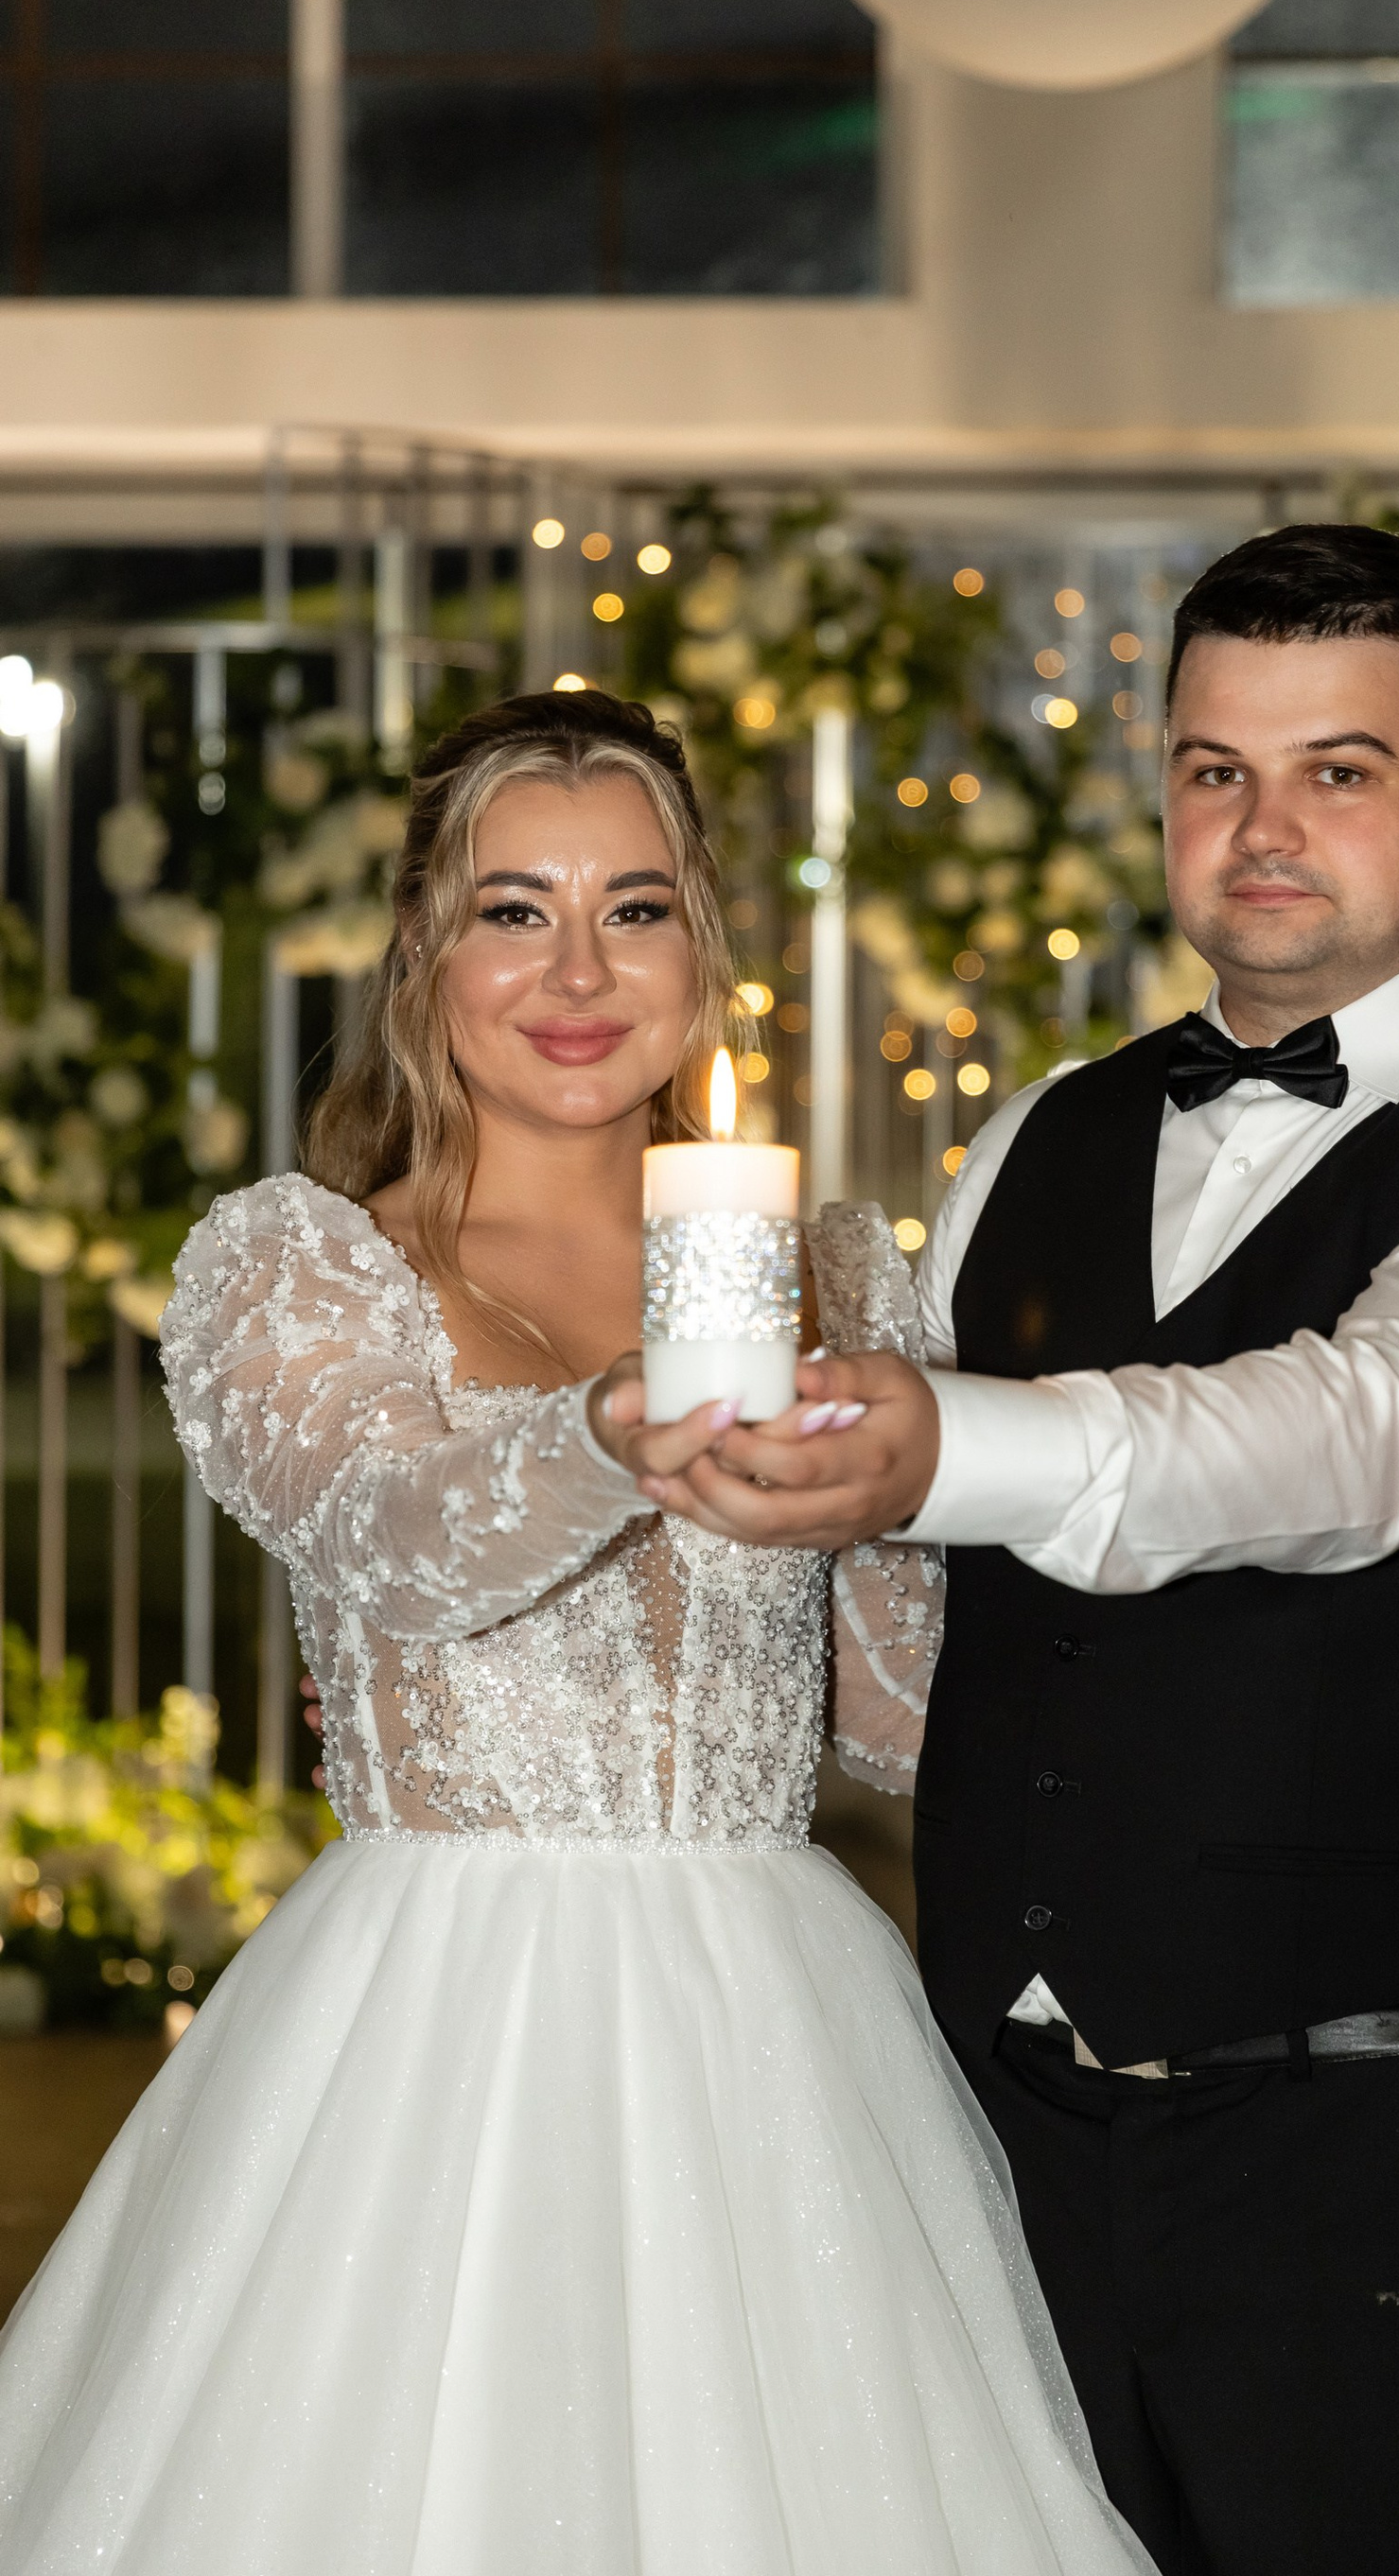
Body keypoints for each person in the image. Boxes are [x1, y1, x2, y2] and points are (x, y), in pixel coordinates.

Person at [640, 529, 1399, 2576]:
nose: (1264, 826)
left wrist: (945, 1440)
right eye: (1217, 770)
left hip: (1393, 2159)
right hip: (1009, 2144)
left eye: (1340, 770)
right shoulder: (1036, 1131)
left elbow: (1373, 1432)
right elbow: (904, 1608)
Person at [0, 690, 1154, 2576]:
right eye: (512, 909)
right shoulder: (307, 1262)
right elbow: (390, 1545)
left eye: (635, 908)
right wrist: (611, 1432)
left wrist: (905, 1507)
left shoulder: (834, 1274)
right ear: (423, 947)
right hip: (436, 2017)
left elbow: (899, 1715)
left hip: (777, 2025)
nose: (579, 973)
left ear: (704, 949)